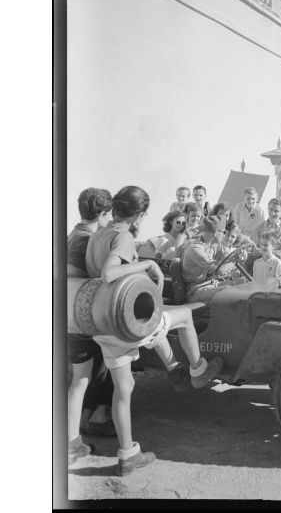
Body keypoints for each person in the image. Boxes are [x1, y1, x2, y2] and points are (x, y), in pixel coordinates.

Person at [85, 186, 223, 476]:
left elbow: (98, 275)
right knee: (184, 315)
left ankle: (128, 455)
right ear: (140, 213)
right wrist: (146, 263)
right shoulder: (122, 236)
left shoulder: (97, 234)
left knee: (123, 389)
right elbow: (110, 273)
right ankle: (197, 370)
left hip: (102, 323)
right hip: (126, 320)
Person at [68, 188, 115, 464]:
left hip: (69, 313)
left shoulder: (74, 234)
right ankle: (97, 418)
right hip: (82, 314)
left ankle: (78, 434)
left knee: (81, 378)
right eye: (109, 215)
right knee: (109, 360)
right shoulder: (88, 240)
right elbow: (86, 273)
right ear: (102, 214)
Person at [182, 215, 229, 303]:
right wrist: (235, 261)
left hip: (209, 284)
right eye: (223, 232)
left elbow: (227, 256)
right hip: (195, 291)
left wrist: (241, 255)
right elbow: (219, 270)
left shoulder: (215, 245)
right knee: (227, 291)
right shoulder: (195, 248)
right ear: (216, 233)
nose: (224, 235)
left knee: (241, 282)